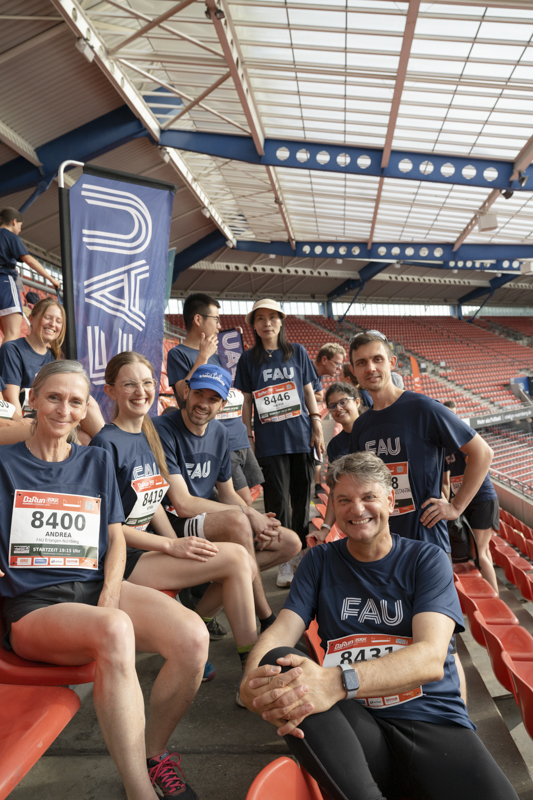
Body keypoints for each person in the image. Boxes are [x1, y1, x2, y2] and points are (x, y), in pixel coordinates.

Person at [240, 452, 519, 800]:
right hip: (354, 721)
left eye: (368, 497)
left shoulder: (426, 559)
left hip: (428, 718)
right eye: (344, 500)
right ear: (334, 506)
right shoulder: (319, 561)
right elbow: (282, 630)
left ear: (390, 499)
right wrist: (248, 685)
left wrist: (337, 681)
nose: (357, 509)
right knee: (279, 661)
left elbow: (431, 659)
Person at [0, 360, 208, 800]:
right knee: (113, 628)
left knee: (193, 636)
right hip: (35, 606)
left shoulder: (96, 460)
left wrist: (109, 597)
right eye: (53, 397)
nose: (64, 410)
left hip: (95, 590)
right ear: (32, 399)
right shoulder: (3, 465)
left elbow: (116, 539)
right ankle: (139, 792)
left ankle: (153, 754)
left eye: (75, 401)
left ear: (85, 410)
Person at [89, 351, 258, 691]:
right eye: (129, 384)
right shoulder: (105, 443)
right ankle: (253, 671)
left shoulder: (149, 433)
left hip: (149, 548)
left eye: (147, 383)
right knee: (238, 558)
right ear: (111, 391)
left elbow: (150, 502)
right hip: (121, 558)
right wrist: (170, 544)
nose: (140, 391)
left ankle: (252, 665)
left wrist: (179, 543)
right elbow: (107, 528)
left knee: (239, 560)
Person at [154, 362, 301, 632]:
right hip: (172, 523)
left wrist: (254, 517)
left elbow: (228, 493)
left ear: (222, 405)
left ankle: (200, 617)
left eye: (213, 399)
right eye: (199, 394)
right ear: (186, 392)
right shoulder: (162, 429)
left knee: (290, 543)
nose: (203, 404)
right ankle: (266, 618)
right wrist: (247, 513)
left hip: (206, 519)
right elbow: (183, 504)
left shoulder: (220, 433)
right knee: (237, 521)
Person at [348, 332, 493, 553]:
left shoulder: (424, 408)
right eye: (361, 363)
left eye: (377, 359)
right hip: (381, 544)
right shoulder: (361, 425)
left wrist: (456, 507)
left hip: (427, 543)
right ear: (353, 371)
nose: (370, 368)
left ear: (392, 363)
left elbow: (482, 453)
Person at [235, 299, 325, 589]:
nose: (267, 323)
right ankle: (284, 557)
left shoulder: (297, 352)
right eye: (260, 318)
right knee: (276, 502)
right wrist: (247, 435)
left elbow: (308, 391)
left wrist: (317, 425)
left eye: (272, 317)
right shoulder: (248, 359)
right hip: (269, 442)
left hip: (300, 437)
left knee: (302, 499)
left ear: (281, 321)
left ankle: (300, 554)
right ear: (254, 325)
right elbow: (246, 401)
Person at [166, 293, 264, 507]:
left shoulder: (217, 356)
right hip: (216, 440)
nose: (220, 326)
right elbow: (183, 394)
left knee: (249, 498)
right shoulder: (178, 354)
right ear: (198, 319)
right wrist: (202, 356)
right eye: (216, 319)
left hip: (237, 436)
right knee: (242, 502)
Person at [0, 296, 105, 441]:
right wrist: (19, 426)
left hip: (51, 415)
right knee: (89, 404)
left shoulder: (53, 356)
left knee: (85, 438)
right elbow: (11, 399)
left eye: (58, 321)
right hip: (28, 419)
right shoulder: (12, 349)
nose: (53, 324)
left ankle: (110, 447)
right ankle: (111, 444)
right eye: (47, 317)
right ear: (31, 319)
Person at [443, 400, 500, 593]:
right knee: (478, 551)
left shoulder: (462, 439)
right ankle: (491, 595)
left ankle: (495, 598)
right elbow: (445, 481)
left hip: (481, 498)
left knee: (480, 552)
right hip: (464, 500)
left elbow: (478, 464)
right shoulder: (444, 445)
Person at [307, 381, 360, 546]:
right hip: (356, 512)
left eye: (343, 402)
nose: (338, 408)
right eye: (332, 406)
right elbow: (334, 489)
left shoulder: (376, 431)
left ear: (357, 402)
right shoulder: (335, 445)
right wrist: (325, 528)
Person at [0, 208, 60, 343]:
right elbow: (29, 260)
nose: (20, 229)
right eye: (20, 225)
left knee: (4, 333)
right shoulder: (9, 236)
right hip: (4, 281)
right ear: (14, 222)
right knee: (12, 333)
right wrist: (51, 279)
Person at [311, 342, 346, 498]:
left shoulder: (317, 376)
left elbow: (320, 396)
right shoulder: (306, 370)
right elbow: (316, 395)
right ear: (324, 360)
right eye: (337, 364)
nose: (339, 368)